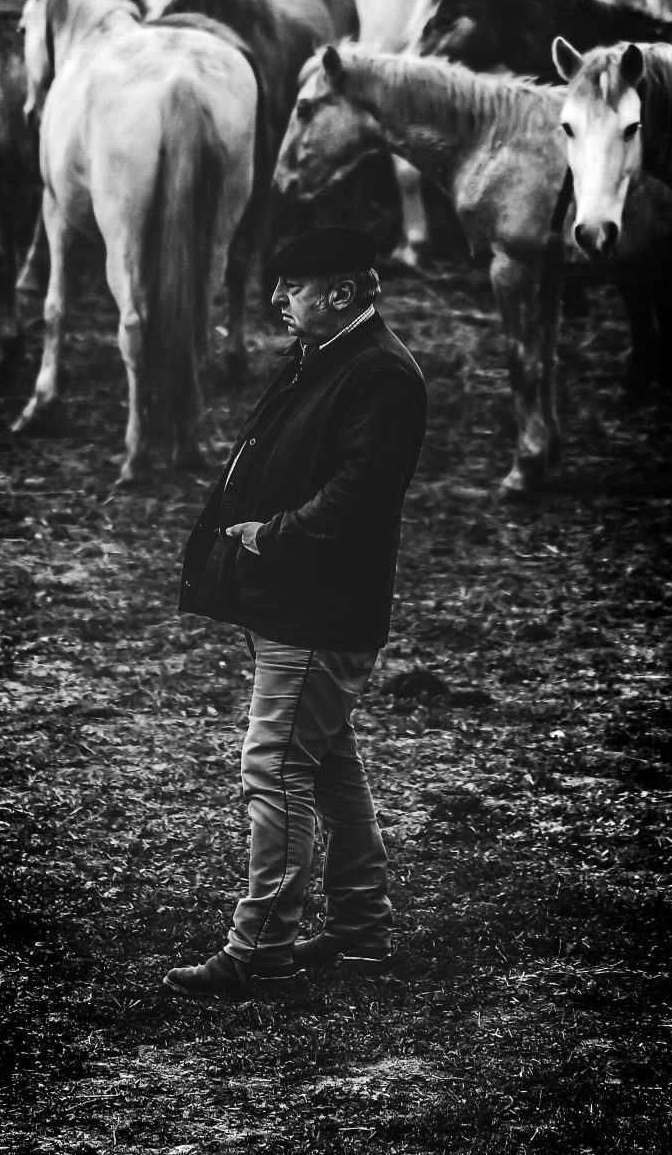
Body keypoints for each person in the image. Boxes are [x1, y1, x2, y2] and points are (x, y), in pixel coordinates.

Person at [165, 225, 428, 998]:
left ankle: (262, 949)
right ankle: (359, 929)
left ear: (341, 293)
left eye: (294, 286)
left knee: (273, 768)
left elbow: (359, 496)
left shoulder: (380, 372)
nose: (277, 297)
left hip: (317, 608)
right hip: (299, 603)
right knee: (329, 768)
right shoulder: (328, 353)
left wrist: (271, 537)